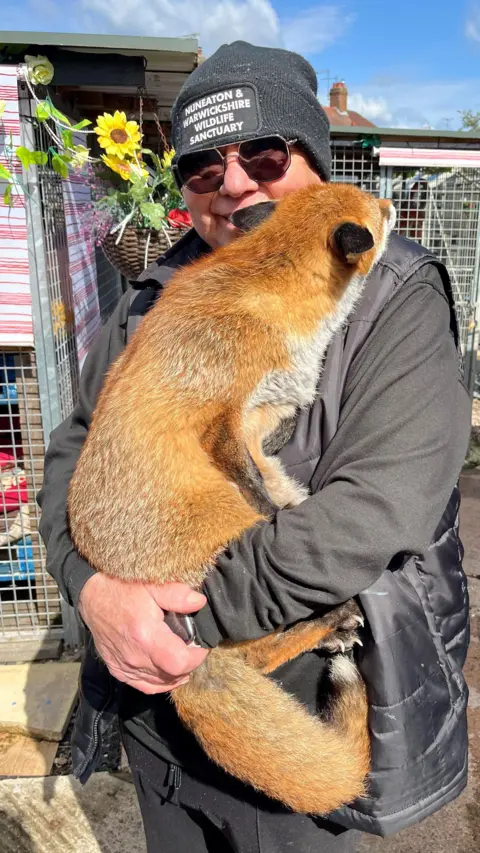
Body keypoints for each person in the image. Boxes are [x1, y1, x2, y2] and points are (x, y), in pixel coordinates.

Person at [37, 41, 471, 853]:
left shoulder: (399, 300)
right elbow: (71, 452)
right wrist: (92, 591)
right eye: (202, 167)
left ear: (311, 159)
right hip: (153, 725)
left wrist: (181, 632)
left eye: (264, 155)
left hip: (282, 730)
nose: (234, 183)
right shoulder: (159, 292)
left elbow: (376, 511)